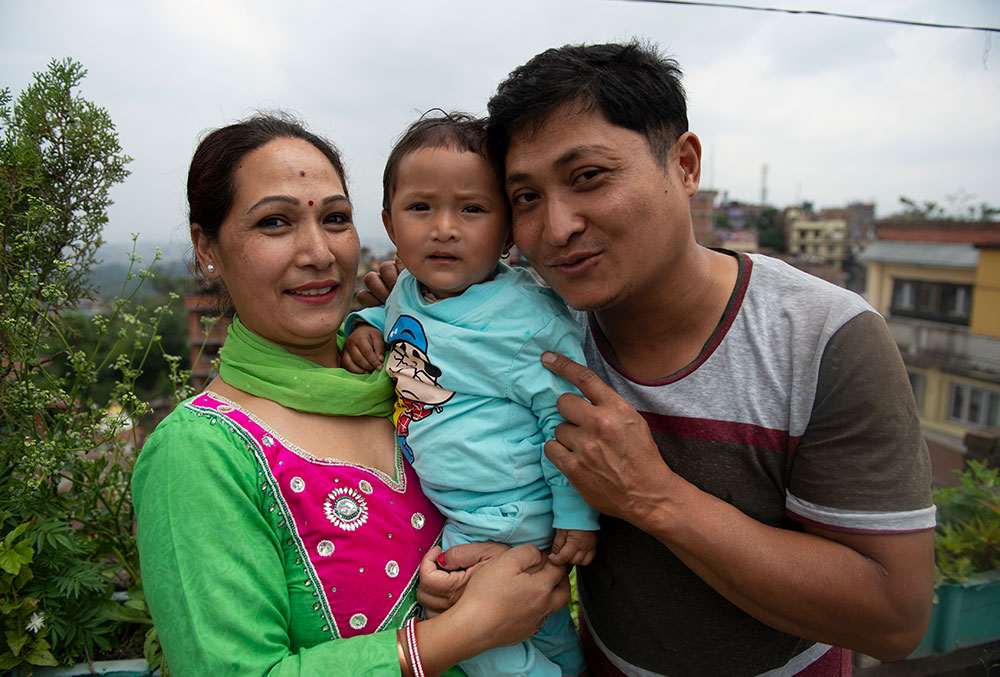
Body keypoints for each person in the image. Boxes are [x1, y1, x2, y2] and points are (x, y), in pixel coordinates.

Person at [368, 42, 937, 676]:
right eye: (526, 197)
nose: (556, 227)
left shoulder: (821, 339)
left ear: (685, 165)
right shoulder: (534, 320)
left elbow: (895, 621)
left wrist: (652, 496)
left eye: (589, 177)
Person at [131, 114, 571, 676]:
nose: (319, 252)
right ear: (206, 248)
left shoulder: (411, 367)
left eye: (335, 219)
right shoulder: (200, 454)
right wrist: (466, 631)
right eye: (274, 223)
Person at [342, 111, 598, 677]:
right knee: (549, 630)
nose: (445, 228)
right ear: (389, 221)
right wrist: (360, 326)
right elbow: (388, 314)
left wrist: (577, 514)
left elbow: (567, 419)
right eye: (420, 208)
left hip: (500, 512)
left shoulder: (524, 319)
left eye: (472, 209)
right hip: (456, 500)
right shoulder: (409, 288)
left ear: (508, 230)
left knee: (474, 632)